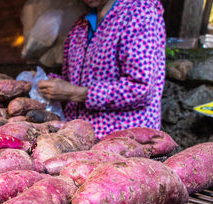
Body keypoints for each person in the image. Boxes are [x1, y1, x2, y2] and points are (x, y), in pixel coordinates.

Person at [38, 0, 166, 139]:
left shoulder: (139, 14)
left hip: (124, 141)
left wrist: (76, 93)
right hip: (80, 136)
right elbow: (73, 79)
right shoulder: (81, 25)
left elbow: (140, 88)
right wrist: (45, 82)